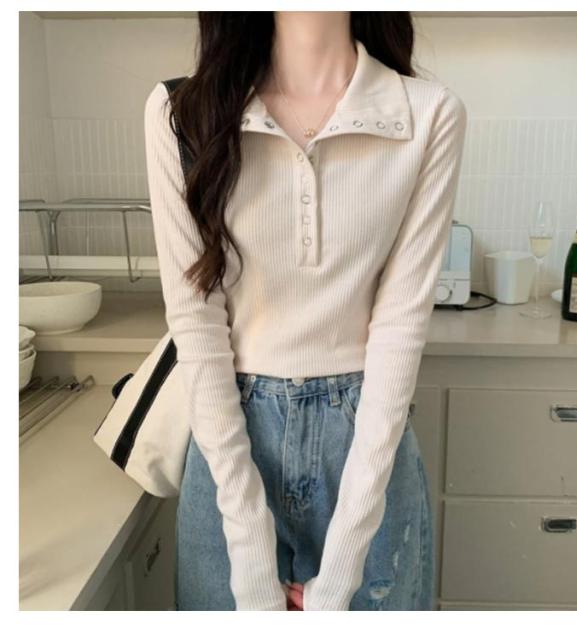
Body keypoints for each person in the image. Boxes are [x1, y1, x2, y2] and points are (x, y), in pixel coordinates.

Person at [144, 11, 466, 611]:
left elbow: (401, 328)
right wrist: (249, 557)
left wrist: (343, 568)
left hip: (368, 444)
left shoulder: (428, 114)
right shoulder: (182, 113)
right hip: (228, 443)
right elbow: (196, 325)